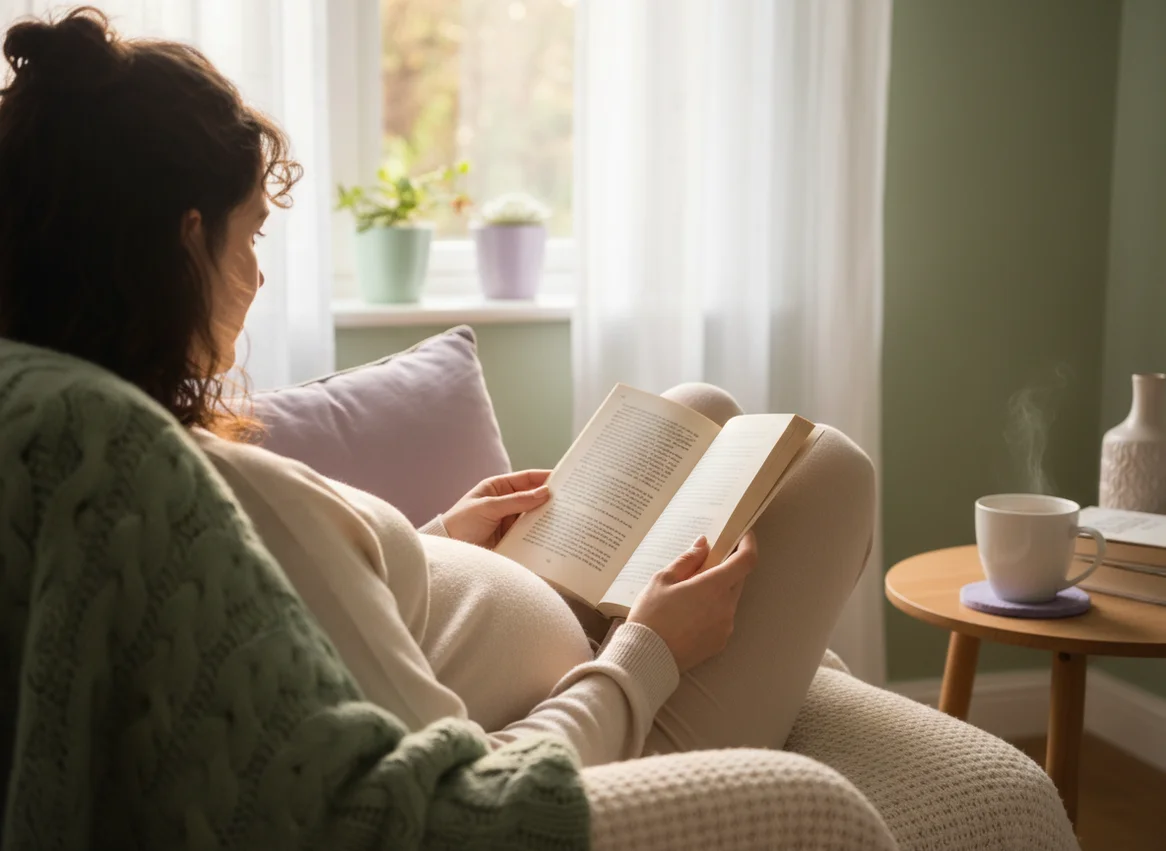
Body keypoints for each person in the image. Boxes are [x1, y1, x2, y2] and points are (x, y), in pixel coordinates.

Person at [0, 8, 880, 848]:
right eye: (252, 235)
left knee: (703, 408)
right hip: (602, 747)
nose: (259, 276)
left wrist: (434, 546)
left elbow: (306, 620)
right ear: (187, 242)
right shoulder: (190, 488)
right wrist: (650, 651)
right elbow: (468, 794)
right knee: (831, 469)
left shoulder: (98, 448)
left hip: (548, 661)